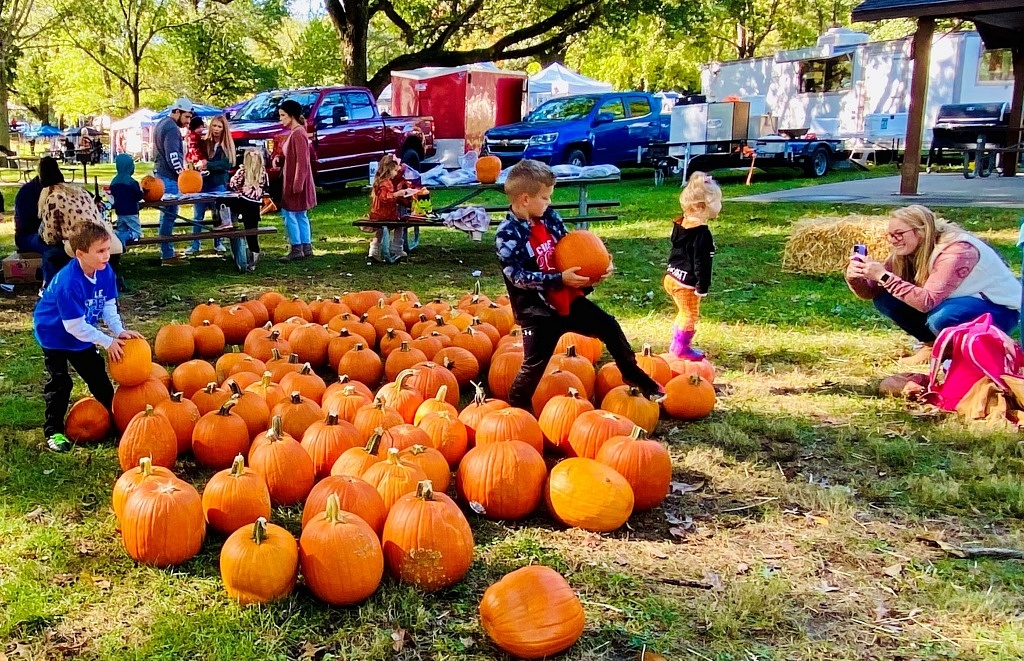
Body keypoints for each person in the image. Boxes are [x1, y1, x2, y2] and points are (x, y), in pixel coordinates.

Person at [494, 159, 664, 409]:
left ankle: (631, 371)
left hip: (567, 300)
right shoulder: (507, 234)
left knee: (609, 326)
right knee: (534, 364)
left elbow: (571, 248)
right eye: (545, 198)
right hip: (538, 313)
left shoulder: (549, 218)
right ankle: (518, 408)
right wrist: (558, 279)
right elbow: (517, 277)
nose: (549, 203)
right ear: (525, 199)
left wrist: (596, 270)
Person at [846, 205, 1022, 364]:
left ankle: (960, 353)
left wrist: (883, 276)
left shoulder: (957, 250)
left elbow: (926, 302)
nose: (893, 240)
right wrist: (855, 278)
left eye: (899, 234)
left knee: (942, 317)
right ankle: (933, 346)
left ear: (921, 231)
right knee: (885, 298)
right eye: (890, 235)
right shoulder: (907, 250)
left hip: (1001, 310)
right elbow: (871, 292)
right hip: (955, 302)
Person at [33, 222, 143, 452]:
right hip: (53, 333)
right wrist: (107, 341)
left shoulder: (105, 271)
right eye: (100, 251)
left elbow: (108, 304)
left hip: (80, 330)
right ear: (81, 254)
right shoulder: (68, 282)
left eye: (107, 249)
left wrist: (118, 330)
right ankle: (54, 431)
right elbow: (73, 326)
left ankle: (114, 421)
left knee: (98, 376)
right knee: (61, 382)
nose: (107, 255)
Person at [664, 171, 721, 360]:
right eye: (718, 202)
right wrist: (702, 287)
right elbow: (701, 263)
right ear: (702, 206)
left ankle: (676, 344)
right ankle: (681, 348)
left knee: (683, 312)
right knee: (690, 314)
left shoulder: (681, 224)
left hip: (671, 277)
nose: (720, 206)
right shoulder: (702, 234)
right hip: (686, 283)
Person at [185, 114, 234, 256]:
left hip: (218, 183)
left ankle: (218, 242)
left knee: (216, 214)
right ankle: (195, 244)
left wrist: (209, 165)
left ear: (224, 128)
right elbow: (195, 155)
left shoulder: (227, 145)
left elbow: (226, 164)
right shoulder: (205, 142)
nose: (216, 129)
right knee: (197, 215)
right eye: (214, 125)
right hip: (202, 183)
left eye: (219, 126)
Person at [152, 97, 194, 267]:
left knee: (167, 215)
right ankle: (167, 254)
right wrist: (182, 174)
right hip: (168, 177)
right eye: (187, 117)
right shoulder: (171, 128)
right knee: (169, 215)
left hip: (160, 174)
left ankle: (166, 251)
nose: (188, 121)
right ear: (177, 112)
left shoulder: (161, 123)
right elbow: (173, 155)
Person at [276, 99, 316, 262]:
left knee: (290, 214)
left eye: (283, 115)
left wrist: (297, 184)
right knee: (300, 214)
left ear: (291, 115)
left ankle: (297, 247)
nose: (281, 119)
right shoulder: (297, 132)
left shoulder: (298, 133)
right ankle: (306, 247)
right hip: (296, 181)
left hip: (295, 182)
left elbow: (302, 161)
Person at [367, 153, 414, 262]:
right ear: (389, 169)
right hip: (386, 214)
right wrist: (398, 194)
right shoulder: (385, 183)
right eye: (395, 171)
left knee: (379, 231)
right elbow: (385, 198)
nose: (396, 173)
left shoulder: (379, 182)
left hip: (377, 214)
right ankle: (397, 248)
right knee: (400, 224)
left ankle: (374, 250)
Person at [228, 148, 269, 271]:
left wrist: (240, 190)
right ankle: (254, 254)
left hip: (244, 203)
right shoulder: (263, 173)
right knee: (252, 230)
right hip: (255, 205)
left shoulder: (243, 172)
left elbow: (233, 184)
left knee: (223, 202)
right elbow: (266, 188)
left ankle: (228, 222)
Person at [13, 157, 53, 256]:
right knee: (52, 251)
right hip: (28, 235)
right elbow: (28, 221)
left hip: (51, 233)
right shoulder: (26, 192)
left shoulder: (58, 188)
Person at [109, 153, 144, 247]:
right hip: (131, 211)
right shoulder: (132, 182)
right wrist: (141, 191)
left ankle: (119, 237)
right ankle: (127, 236)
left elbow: (113, 194)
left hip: (119, 211)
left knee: (121, 228)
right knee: (137, 232)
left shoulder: (114, 181)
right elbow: (138, 196)